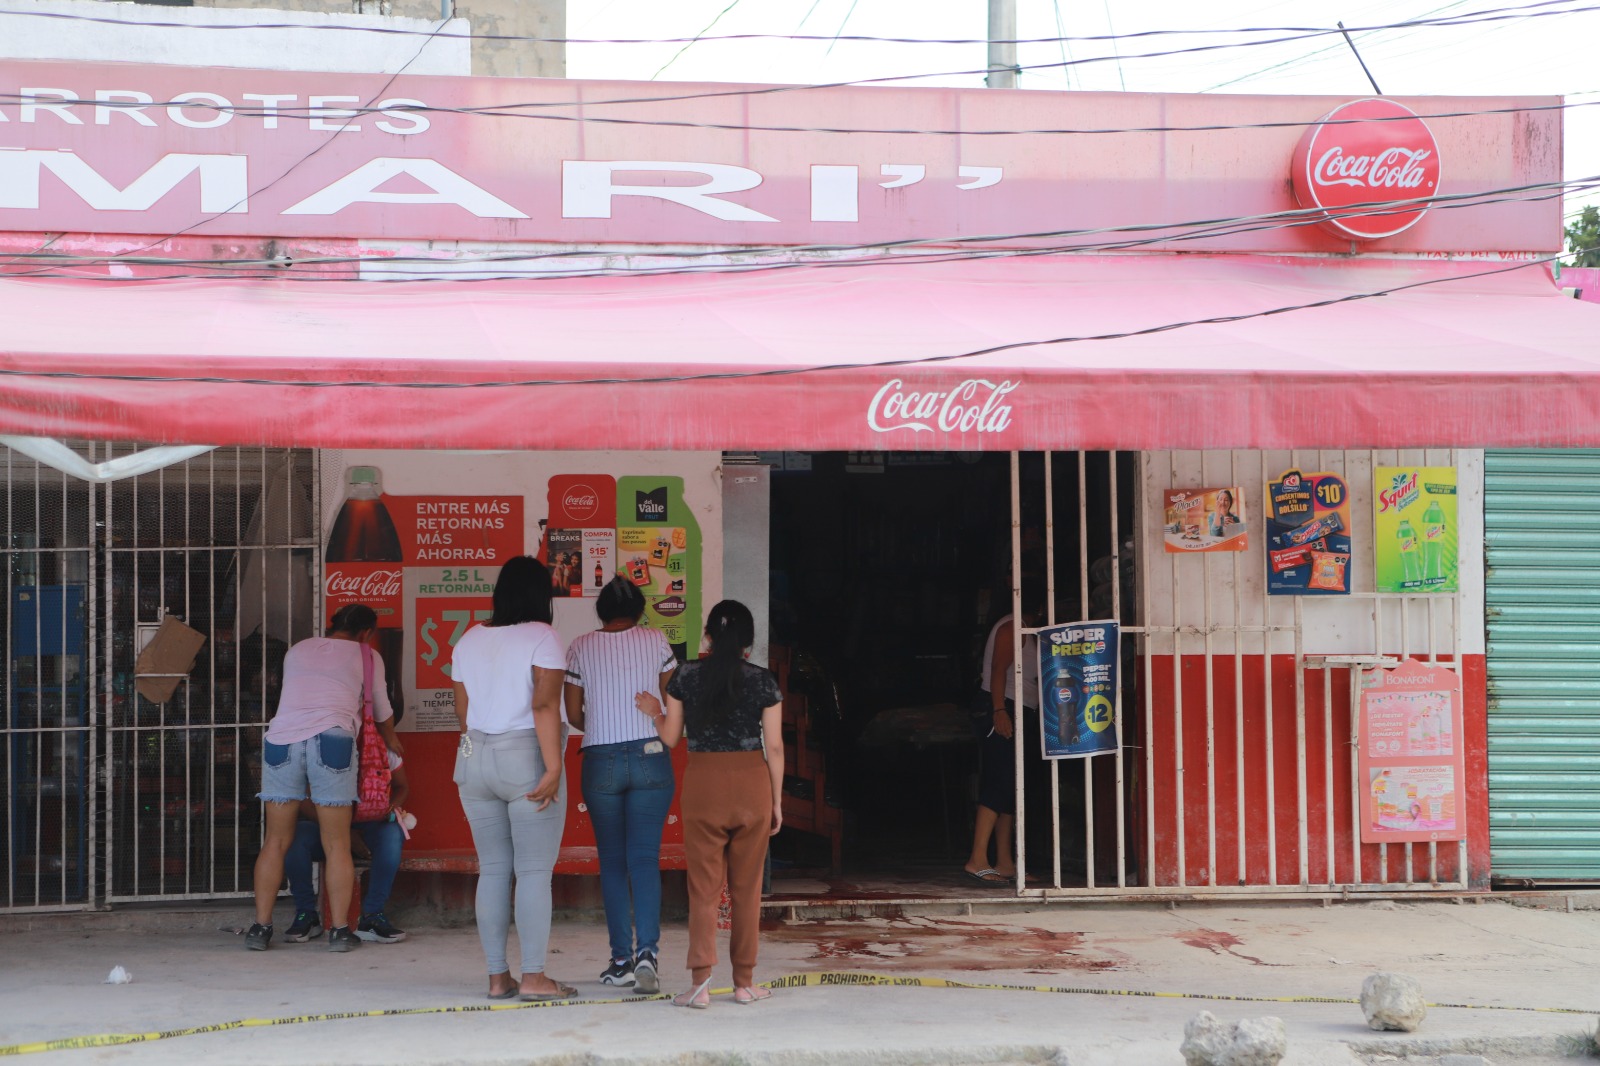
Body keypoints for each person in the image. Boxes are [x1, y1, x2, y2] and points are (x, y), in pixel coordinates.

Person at [640, 600, 783, 1009]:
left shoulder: (685, 675)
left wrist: (655, 712)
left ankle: (700, 985)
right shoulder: (763, 681)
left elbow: (670, 738)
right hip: (752, 786)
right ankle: (744, 983)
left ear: (707, 636)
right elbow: (773, 745)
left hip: (703, 785)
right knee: (747, 889)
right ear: (748, 644)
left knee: (703, 889)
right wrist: (776, 801)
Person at [450, 555, 574, 1002]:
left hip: (474, 759)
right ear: (541, 595)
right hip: (525, 756)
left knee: (494, 870)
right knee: (535, 872)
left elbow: (463, 713)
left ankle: (497, 978)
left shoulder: (469, 638)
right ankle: (536, 977)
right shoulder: (544, 637)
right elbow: (544, 706)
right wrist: (554, 766)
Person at [247, 604, 403, 952]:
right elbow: (382, 708)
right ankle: (340, 932)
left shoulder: (298, 649)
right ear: (366, 632)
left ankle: (260, 927)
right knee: (336, 844)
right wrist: (391, 741)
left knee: (275, 841)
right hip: (332, 739)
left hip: (281, 740)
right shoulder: (367, 654)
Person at [563, 576, 679, 994]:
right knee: (644, 860)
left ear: (602, 610)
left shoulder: (579, 646)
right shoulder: (657, 641)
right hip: (650, 755)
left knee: (612, 862)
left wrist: (597, 724)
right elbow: (672, 703)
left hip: (602, 761)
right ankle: (648, 953)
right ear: (639, 608)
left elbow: (574, 713)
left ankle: (620, 961)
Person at [280, 762, 412, 945]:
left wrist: (389, 809)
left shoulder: (382, 747)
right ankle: (306, 913)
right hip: (326, 826)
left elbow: (402, 786)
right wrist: (343, 832)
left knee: (392, 834)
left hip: (370, 826)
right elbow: (302, 798)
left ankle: (372, 916)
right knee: (295, 836)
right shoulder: (321, 742)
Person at [962, 588, 1042, 887]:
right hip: (1003, 706)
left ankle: (1005, 862)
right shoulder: (1013, 627)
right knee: (1000, 781)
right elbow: (998, 671)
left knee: (1010, 786)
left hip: (1019, 708)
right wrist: (998, 710)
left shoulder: (1026, 629)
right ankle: (977, 859)